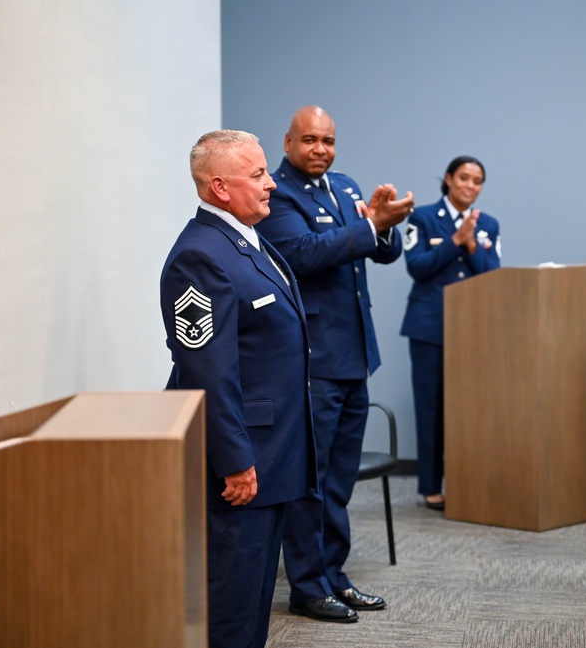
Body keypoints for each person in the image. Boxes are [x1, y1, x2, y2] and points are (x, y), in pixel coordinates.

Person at [159, 130, 316, 648]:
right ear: (220, 187)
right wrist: (234, 460)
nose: (272, 184)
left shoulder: (245, 237)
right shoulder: (199, 257)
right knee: (230, 601)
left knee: (252, 598)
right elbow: (207, 371)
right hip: (240, 465)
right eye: (258, 175)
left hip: (271, 454)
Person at [256, 105, 412, 623]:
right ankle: (307, 585)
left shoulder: (344, 186)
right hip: (312, 360)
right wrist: (370, 227)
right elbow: (303, 253)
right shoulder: (276, 195)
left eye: (328, 140)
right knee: (311, 481)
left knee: (339, 479)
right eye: (309, 140)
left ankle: (334, 576)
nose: (320, 149)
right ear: (288, 142)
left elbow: (381, 253)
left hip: (354, 355)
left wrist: (382, 226)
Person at [400, 156, 501, 510]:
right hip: (429, 327)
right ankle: (431, 486)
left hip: (473, 329)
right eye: (464, 178)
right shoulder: (423, 217)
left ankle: (469, 480)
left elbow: (492, 275)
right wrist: (455, 240)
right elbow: (417, 266)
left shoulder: (489, 224)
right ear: (449, 179)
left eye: (477, 180)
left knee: (471, 410)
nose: (470, 185)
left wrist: (472, 244)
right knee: (430, 409)